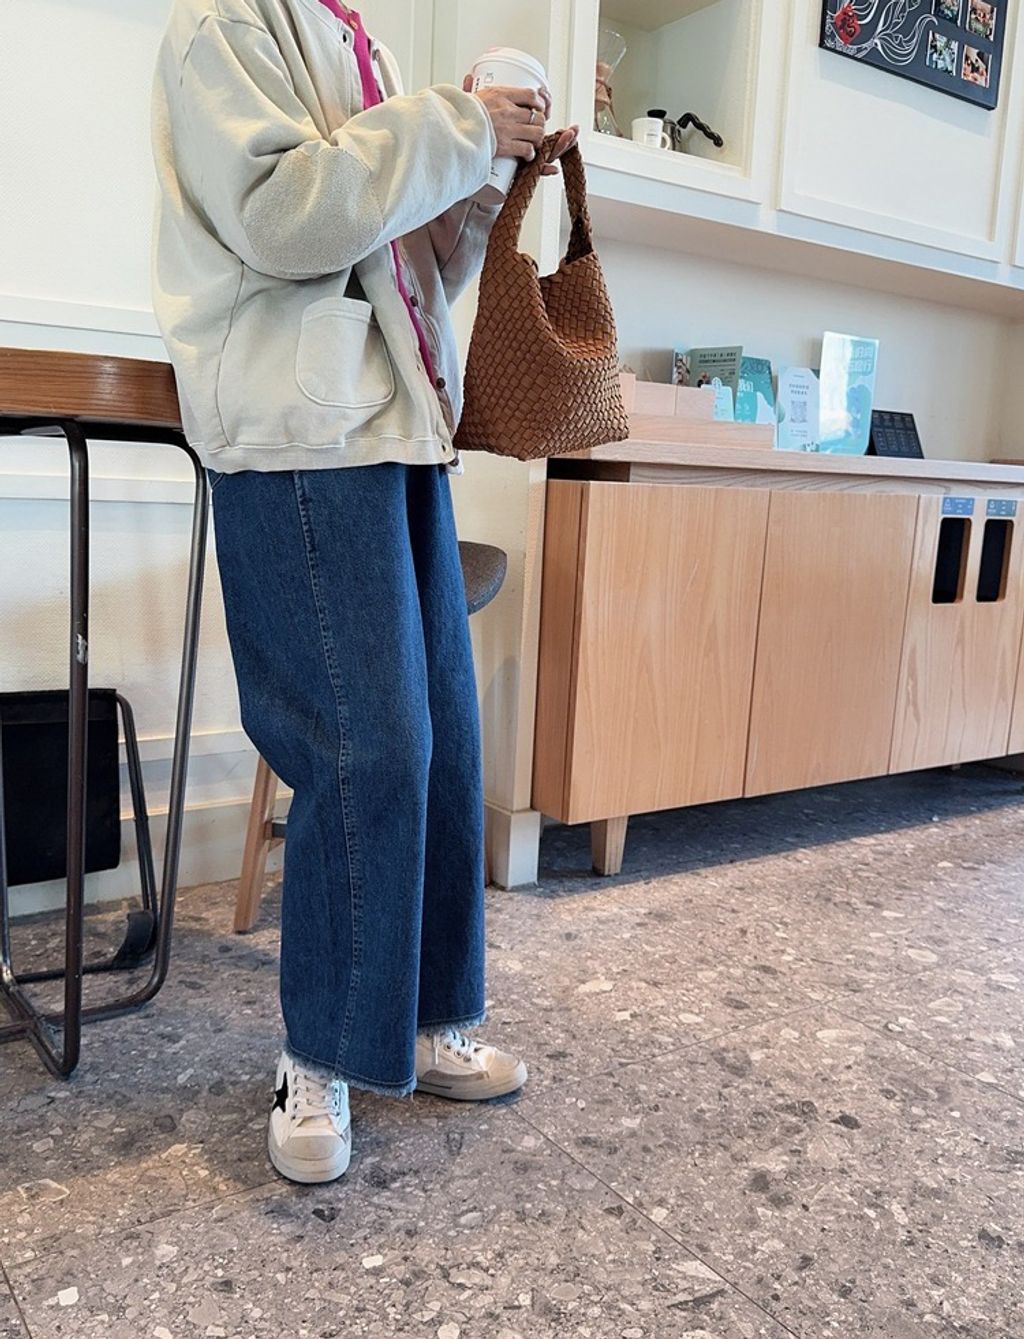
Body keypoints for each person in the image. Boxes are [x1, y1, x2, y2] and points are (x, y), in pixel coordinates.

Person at [151, 0, 578, 1185]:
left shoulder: (362, 43)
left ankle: (429, 1018)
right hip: (301, 427)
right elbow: (283, 215)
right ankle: (323, 1054)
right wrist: (456, 126)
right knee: (364, 744)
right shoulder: (223, 24)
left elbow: (412, 265)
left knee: (438, 738)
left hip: (395, 421)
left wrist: (485, 174)